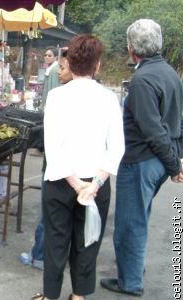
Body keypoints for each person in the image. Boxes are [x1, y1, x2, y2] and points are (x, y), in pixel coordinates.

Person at [32, 34, 125, 300]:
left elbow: (53, 148)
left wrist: (77, 185)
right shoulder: (109, 99)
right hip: (97, 183)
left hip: (61, 183)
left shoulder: (57, 97)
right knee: (87, 242)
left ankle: (50, 295)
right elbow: (116, 148)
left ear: (70, 63)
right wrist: (93, 185)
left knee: (56, 241)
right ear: (97, 65)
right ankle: (79, 296)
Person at [101, 19, 183, 297]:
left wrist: (174, 164)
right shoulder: (170, 73)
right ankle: (133, 267)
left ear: (131, 49)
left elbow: (152, 130)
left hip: (142, 161)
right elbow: (177, 122)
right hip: (158, 161)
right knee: (139, 216)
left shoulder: (142, 79)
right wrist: (175, 158)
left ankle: (131, 281)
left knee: (129, 223)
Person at [20, 49, 72, 271]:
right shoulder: (97, 96)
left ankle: (39, 256)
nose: (58, 71)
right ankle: (55, 255)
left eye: (62, 67)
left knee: (48, 213)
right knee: (64, 216)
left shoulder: (61, 97)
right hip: (75, 169)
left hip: (57, 167)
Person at [31, 46, 60, 157]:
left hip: (50, 104)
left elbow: (53, 88)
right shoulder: (51, 68)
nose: (47, 57)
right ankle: (42, 149)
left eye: (50, 55)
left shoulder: (54, 70)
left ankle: (42, 149)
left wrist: (48, 104)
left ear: (55, 57)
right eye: (46, 55)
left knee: (46, 127)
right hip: (47, 102)